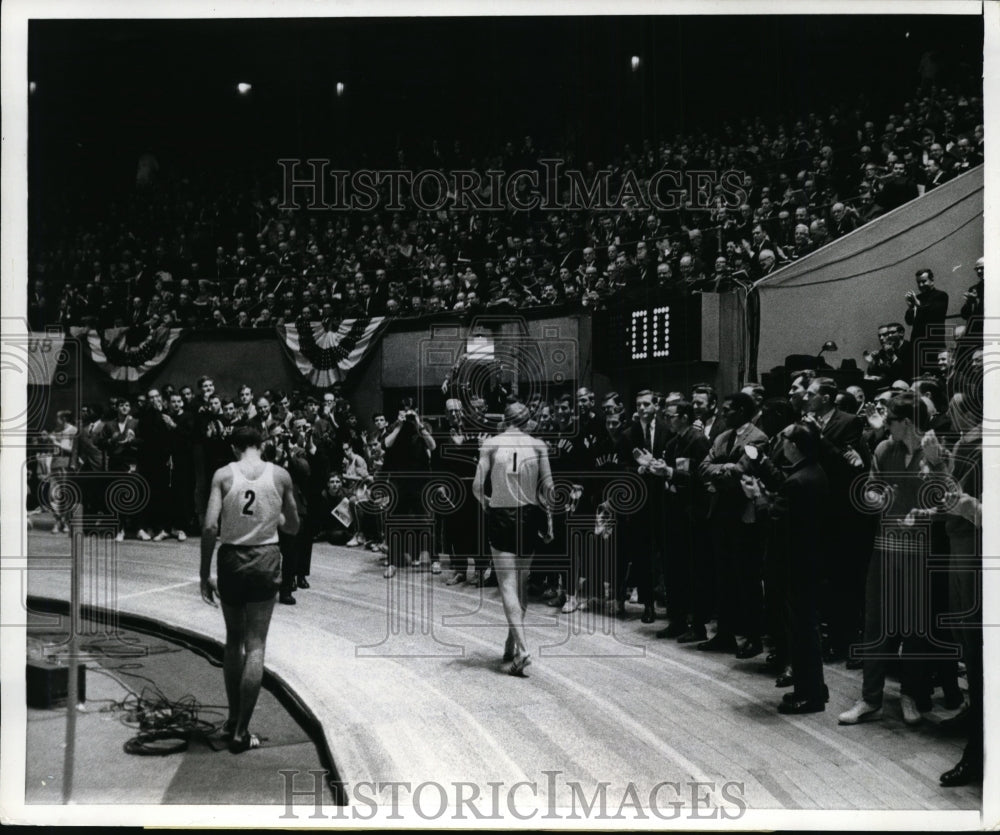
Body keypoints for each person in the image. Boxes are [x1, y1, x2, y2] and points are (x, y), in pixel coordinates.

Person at [199, 426, 300, 753]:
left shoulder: (223, 475)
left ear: (233, 447)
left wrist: (203, 573)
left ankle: (231, 720)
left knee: (234, 641)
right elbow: (294, 525)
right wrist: (277, 518)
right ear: (264, 443)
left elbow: (210, 526)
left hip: (231, 558)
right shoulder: (280, 475)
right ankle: (243, 730)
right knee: (256, 646)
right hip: (265, 557)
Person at [473, 402, 553, 677]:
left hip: (502, 515)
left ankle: (523, 648)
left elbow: (475, 486)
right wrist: (550, 520)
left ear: (505, 421)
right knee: (522, 583)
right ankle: (510, 644)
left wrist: (486, 503)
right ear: (528, 420)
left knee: (507, 585)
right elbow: (549, 488)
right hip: (529, 515)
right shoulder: (538, 445)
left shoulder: (492, 444)